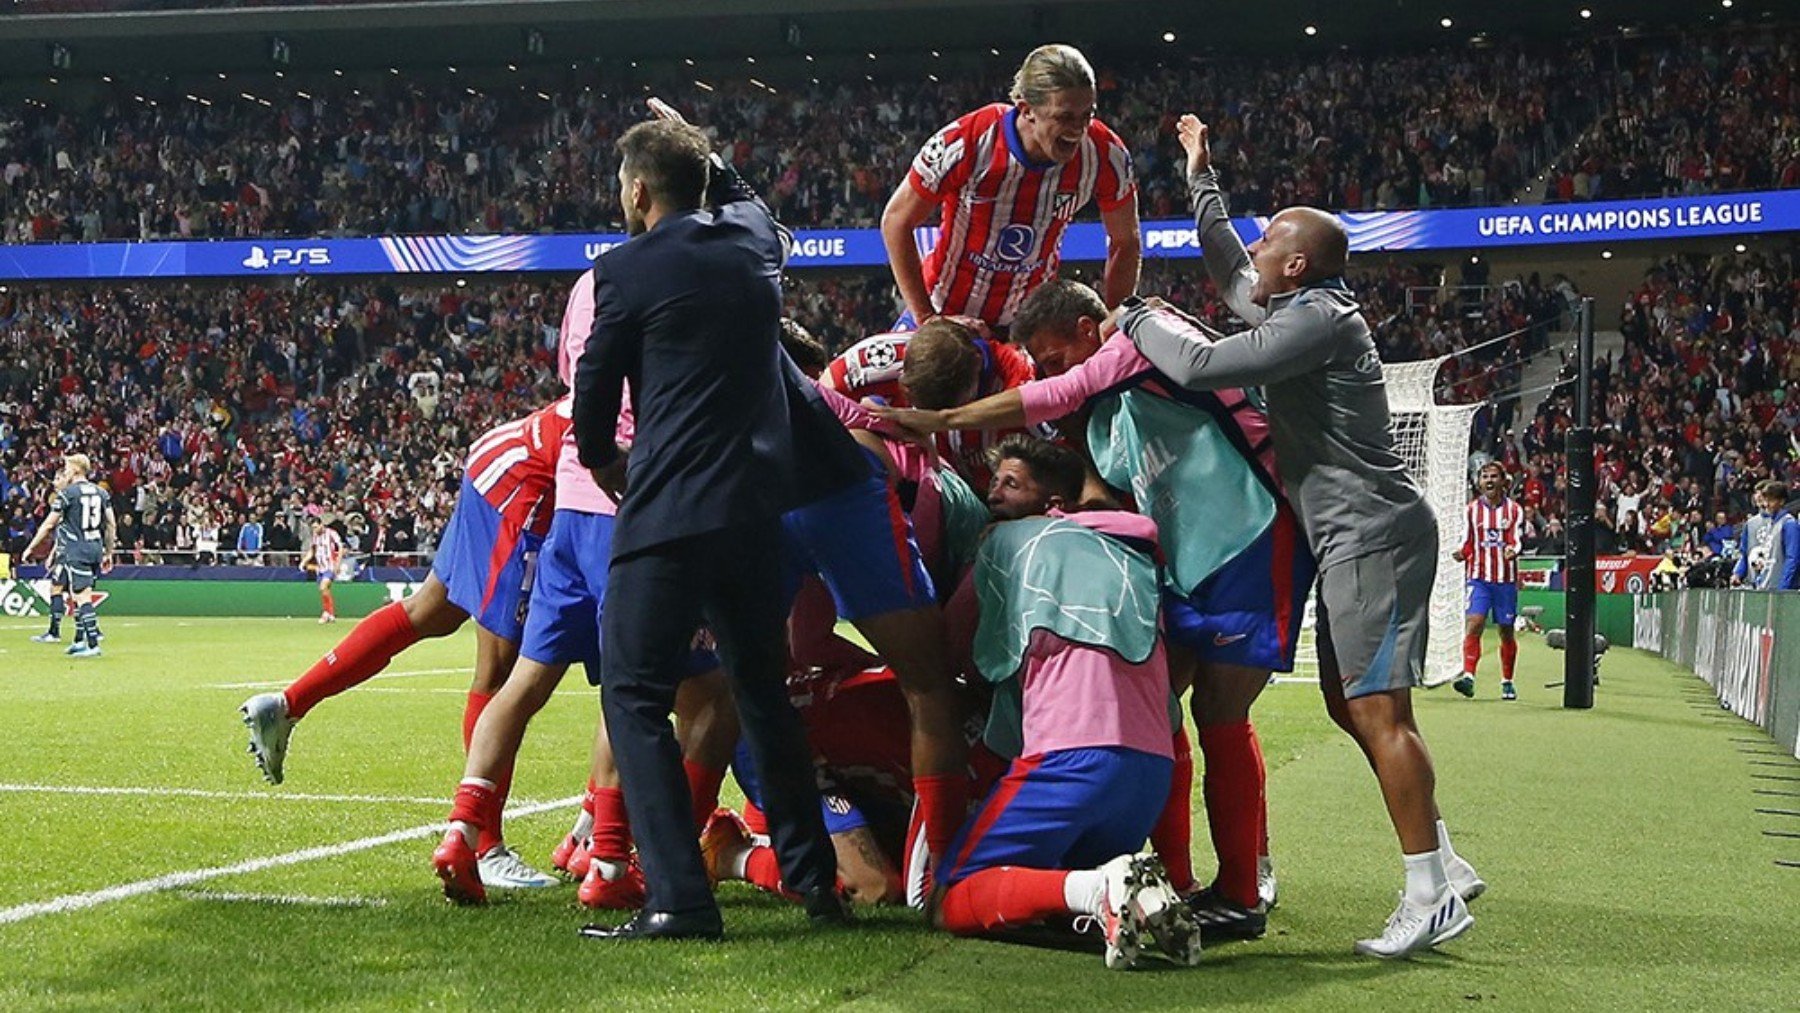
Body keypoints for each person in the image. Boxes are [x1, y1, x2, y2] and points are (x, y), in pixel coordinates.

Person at [1116, 114, 1482, 958]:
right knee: (1351, 707)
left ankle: (1429, 890)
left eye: (1271, 239)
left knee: (1376, 711)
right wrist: (1200, 174)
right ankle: (1445, 861)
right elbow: (1225, 264)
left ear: (1297, 265)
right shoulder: (1299, 301)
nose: (1256, 251)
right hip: (1354, 534)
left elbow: (1203, 364)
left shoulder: (1320, 320)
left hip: (1373, 535)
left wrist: (1136, 319)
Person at [876, 278, 1308, 939]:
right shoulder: (1114, 433)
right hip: (1192, 565)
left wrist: (937, 423)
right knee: (1170, 705)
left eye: (1054, 356)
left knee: (1220, 710)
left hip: (1249, 536)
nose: (1053, 372)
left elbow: (1058, 392)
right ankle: (1184, 878)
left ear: (1087, 328)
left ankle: (1243, 890)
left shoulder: (1142, 333)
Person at [571, 100, 855, 941]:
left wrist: (604, 464)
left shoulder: (623, 272)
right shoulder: (755, 244)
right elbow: (751, 201)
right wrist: (704, 150)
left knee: (633, 693)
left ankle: (679, 899)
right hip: (755, 514)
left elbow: (594, 400)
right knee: (764, 693)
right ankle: (816, 885)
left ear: (635, 191)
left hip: (666, 514)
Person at [241, 398, 573, 891]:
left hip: (500, 459)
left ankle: (288, 703)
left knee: (431, 612)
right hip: (523, 487)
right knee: (500, 672)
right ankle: (485, 846)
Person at [934, 435, 1199, 971]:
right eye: (993, 484)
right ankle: (1137, 897)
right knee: (1050, 880)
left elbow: (946, 650)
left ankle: (1098, 890)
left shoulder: (1003, 546)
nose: (995, 496)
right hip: (1150, 771)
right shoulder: (1134, 550)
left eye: (1011, 484)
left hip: (1071, 757)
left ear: (1054, 500)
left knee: (953, 897)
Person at [880, 43, 1139, 331]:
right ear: (1027, 110)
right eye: (1065, 117)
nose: (1078, 130)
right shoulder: (968, 140)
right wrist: (926, 318)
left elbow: (1125, 240)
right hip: (945, 311)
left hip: (1027, 328)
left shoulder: (1105, 154)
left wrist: (1115, 320)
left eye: (1087, 115)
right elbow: (896, 220)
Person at [822, 317, 1039, 486]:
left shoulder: (1023, 386)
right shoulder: (874, 361)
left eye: (946, 411)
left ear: (978, 363)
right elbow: (814, 403)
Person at [20, 454, 114, 658]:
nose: (66, 470)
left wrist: (31, 547)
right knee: (79, 592)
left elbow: (48, 524)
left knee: (81, 595)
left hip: (76, 548)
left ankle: (92, 643)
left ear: (77, 469)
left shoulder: (68, 494)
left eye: (68, 466)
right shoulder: (101, 492)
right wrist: (109, 551)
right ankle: (80, 641)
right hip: (95, 547)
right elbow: (110, 524)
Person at [1452, 462, 1525, 701]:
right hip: (1478, 577)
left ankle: (1507, 681)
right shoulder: (1471, 510)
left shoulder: (1514, 510)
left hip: (1505, 580)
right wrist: (1461, 552)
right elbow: (1468, 541)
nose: (1489, 481)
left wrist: (1513, 550)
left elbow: (1516, 539)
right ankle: (1469, 677)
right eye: (1485, 477)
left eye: (1494, 476)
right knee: (1475, 622)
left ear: (1504, 481)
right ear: (1479, 482)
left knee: (1506, 631)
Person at [1735, 480, 1800, 591]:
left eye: (1771, 500)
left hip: (1780, 590)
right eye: (1765, 500)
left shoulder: (1789, 524)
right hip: (1765, 587)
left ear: (1781, 501)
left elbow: (1793, 559)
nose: (1767, 504)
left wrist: (1783, 588)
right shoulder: (1770, 524)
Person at [308, 517, 345, 623]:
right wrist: (305, 561)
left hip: (330, 566)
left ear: (321, 525)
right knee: (325, 591)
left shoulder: (331, 533)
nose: (314, 530)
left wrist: (338, 564)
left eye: (315, 527)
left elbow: (340, 548)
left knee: (323, 587)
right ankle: (331, 614)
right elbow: (312, 550)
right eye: (313, 528)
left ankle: (326, 613)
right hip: (320, 568)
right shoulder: (315, 537)